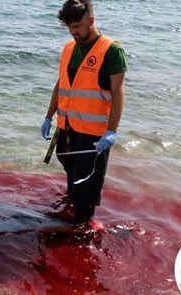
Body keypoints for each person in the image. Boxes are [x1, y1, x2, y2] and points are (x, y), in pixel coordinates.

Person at [40, 0, 127, 224]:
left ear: (91, 20)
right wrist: (49, 116)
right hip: (66, 125)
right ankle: (72, 208)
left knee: (86, 185)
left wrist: (112, 131)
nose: (73, 32)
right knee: (69, 167)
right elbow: (61, 84)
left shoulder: (112, 51)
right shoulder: (69, 48)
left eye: (77, 25)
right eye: (69, 27)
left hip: (93, 132)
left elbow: (118, 93)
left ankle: (83, 227)